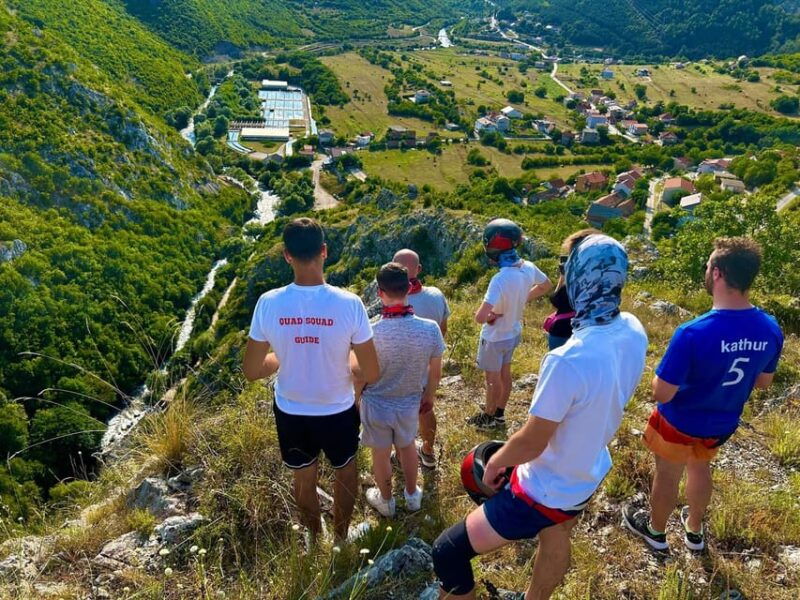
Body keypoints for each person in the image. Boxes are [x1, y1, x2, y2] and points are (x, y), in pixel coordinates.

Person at [432, 233, 648, 600]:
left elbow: (532, 442)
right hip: (587, 470)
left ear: (577, 278)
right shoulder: (632, 327)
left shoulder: (568, 359)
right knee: (556, 530)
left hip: (543, 488)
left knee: (447, 552)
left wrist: (496, 463)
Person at [622, 237, 783, 552]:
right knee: (700, 466)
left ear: (718, 273)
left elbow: (663, 393)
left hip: (679, 421)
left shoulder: (693, 332)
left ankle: (656, 532)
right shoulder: (770, 328)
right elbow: (763, 382)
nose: (706, 271)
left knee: (667, 475)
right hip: (722, 423)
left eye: (708, 265)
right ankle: (694, 531)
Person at [243, 217, 380, 542]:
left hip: (291, 410)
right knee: (345, 470)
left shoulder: (268, 303)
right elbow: (371, 372)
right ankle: (341, 538)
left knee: (303, 478)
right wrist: (345, 362)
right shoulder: (349, 304)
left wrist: (283, 355)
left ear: (287, 255)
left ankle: (314, 539)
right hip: (337, 409)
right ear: (324, 251)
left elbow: (252, 370)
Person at [358, 262, 446, 517]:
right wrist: (429, 396)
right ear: (408, 288)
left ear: (380, 293)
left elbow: (360, 373)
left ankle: (386, 501)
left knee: (381, 453)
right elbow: (435, 371)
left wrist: (355, 400)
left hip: (375, 403)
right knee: (407, 447)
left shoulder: (370, 332)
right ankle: (411, 495)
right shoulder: (430, 329)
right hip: (410, 401)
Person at [468, 218, 553, 430]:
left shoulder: (500, 279)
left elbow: (480, 317)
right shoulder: (528, 267)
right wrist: (522, 299)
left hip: (494, 336)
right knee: (505, 375)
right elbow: (546, 285)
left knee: (492, 380)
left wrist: (489, 316)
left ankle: (488, 418)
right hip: (513, 333)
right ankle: (499, 413)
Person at [392, 248, 450, 468]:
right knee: (426, 408)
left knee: (399, 413)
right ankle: (428, 451)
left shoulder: (393, 299)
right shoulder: (436, 295)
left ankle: (400, 456)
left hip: (400, 367)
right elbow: (442, 330)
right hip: (428, 363)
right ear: (419, 269)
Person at [543, 229, 599, 350]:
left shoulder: (582, 278)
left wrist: (565, 277)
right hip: (584, 331)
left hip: (563, 329)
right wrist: (564, 277)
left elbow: (557, 301)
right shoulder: (601, 276)